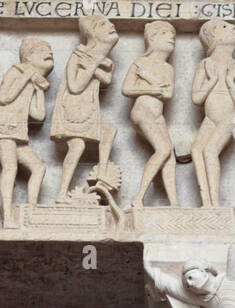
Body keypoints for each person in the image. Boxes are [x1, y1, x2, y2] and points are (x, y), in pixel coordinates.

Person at [0, 38, 54, 228]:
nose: (49, 52)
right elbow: (5, 97)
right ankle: (7, 217)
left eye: (50, 50)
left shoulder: (32, 79)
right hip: (4, 126)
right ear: (29, 57)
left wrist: (38, 89)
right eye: (42, 50)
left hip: (18, 131)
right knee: (10, 167)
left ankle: (31, 212)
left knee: (39, 168)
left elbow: (38, 115)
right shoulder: (17, 71)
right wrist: (27, 77)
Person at [51, 16, 118, 203]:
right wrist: (94, 65)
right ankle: (61, 193)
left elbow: (107, 79)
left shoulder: (101, 59)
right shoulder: (78, 55)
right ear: (92, 33)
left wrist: (96, 64)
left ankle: (102, 176)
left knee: (109, 131)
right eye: (104, 25)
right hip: (73, 106)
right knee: (77, 145)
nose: (112, 25)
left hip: (89, 107)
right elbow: (75, 86)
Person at [122, 21, 177, 209]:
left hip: (158, 115)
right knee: (162, 149)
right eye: (164, 33)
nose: (171, 38)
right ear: (152, 39)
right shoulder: (141, 63)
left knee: (169, 156)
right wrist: (154, 88)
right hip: (142, 111)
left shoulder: (168, 68)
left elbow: (168, 94)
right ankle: (139, 197)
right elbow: (126, 89)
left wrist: (150, 82)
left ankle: (174, 202)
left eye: (173, 35)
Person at [191, 19, 235, 208]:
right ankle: (207, 203)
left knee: (210, 151)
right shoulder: (205, 64)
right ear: (214, 38)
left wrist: (229, 80)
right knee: (196, 150)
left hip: (230, 118)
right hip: (210, 118)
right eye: (224, 27)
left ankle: (215, 203)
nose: (232, 26)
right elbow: (196, 98)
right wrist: (212, 80)